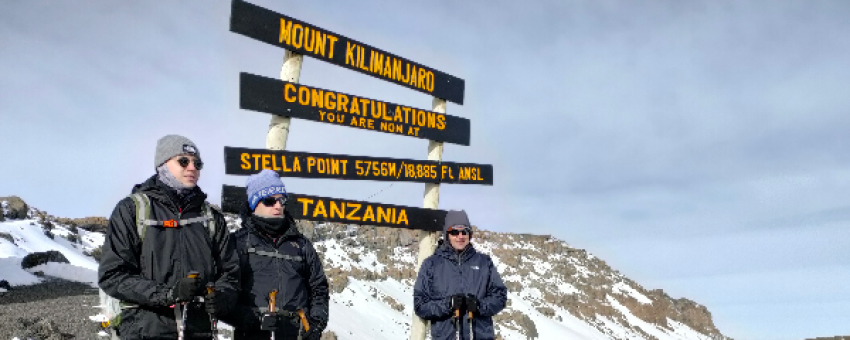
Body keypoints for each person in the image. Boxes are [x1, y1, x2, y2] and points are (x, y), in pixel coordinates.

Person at [98, 134, 240, 340]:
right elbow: (112, 275)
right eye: (183, 161)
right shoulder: (132, 210)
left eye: (197, 163)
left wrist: (221, 298)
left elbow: (231, 275)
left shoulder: (211, 217)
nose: (192, 168)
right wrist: (168, 294)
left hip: (200, 330)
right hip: (145, 330)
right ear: (163, 164)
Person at [222, 170, 329, 340]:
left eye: (282, 200)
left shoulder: (301, 245)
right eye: (269, 201)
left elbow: (319, 288)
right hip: (253, 335)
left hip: (297, 334)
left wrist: (315, 324)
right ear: (254, 203)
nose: (278, 206)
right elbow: (223, 292)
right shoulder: (238, 242)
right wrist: (250, 320)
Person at [413, 210, 507, 340]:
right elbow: (420, 305)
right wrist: (448, 304)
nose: (460, 236)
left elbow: (500, 297)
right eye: (455, 232)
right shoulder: (431, 264)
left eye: (465, 231)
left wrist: (479, 306)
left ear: (470, 234)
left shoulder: (484, 262)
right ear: (447, 234)